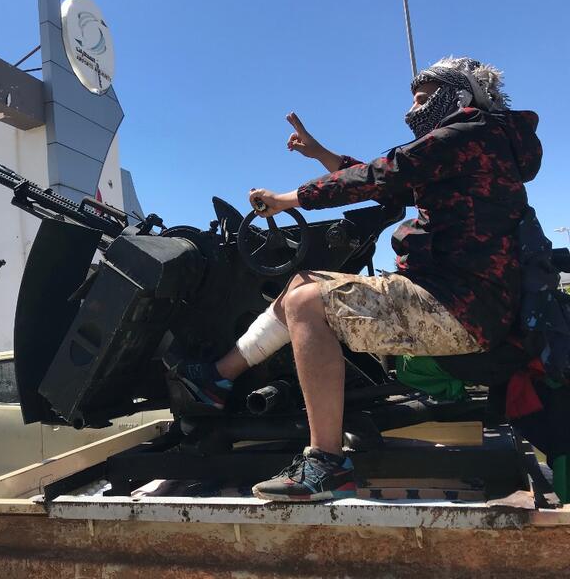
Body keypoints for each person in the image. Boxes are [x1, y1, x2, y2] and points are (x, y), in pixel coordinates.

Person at [175, 56, 542, 502]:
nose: (414, 110)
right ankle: (217, 379)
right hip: (461, 299)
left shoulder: (471, 133)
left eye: (424, 99)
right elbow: (389, 181)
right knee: (301, 284)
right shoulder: (474, 147)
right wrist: (321, 154)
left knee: (307, 304)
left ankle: (326, 464)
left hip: (459, 306)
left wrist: (288, 198)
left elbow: (383, 173)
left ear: (460, 96)